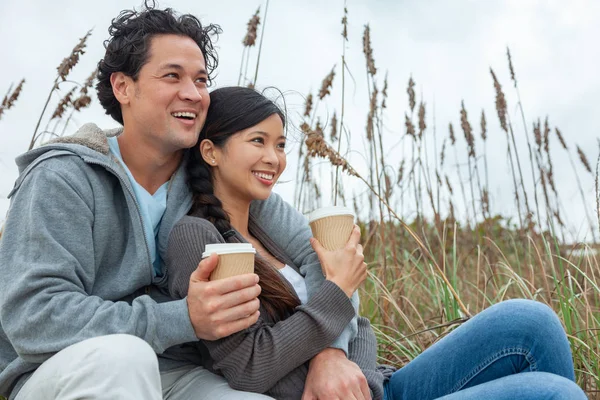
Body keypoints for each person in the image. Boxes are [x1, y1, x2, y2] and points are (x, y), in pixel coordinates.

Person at [0, 4, 361, 400]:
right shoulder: (63, 177)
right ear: (124, 87)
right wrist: (182, 318)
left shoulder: (210, 175)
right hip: (66, 372)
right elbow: (34, 317)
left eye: (201, 80)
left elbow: (322, 258)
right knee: (126, 358)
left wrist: (330, 350)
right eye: (172, 75)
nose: (193, 93)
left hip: (179, 374)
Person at [166, 86, 588, 400]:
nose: (274, 159)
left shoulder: (272, 231)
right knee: (554, 394)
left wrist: (348, 368)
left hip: (372, 387)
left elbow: (359, 325)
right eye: (257, 141)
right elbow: (250, 366)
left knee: (532, 322)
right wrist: (336, 292)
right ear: (211, 151)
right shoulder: (200, 238)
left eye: (279, 145)